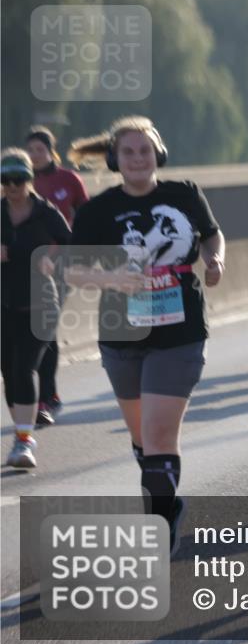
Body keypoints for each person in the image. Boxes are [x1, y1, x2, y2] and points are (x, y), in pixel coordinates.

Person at [66, 116, 226, 553]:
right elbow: (74, 270)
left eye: (145, 150)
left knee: (157, 435)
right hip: (122, 335)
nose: (138, 158)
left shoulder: (184, 194)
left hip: (180, 331)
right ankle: (168, 501)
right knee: (142, 440)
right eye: (129, 151)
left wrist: (215, 262)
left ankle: (157, 522)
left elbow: (212, 237)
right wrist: (112, 281)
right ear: (115, 158)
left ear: (159, 154)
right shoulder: (97, 210)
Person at [2, 149, 71, 468]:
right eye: (5, 180)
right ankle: (22, 433)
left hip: (41, 305)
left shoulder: (46, 213)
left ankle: (24, 442)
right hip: (5, 305)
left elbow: (73, 247)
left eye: (18, 179)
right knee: (8, 374)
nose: (12, 186)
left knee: (23, 369)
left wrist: (51, 259)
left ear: (30, 179)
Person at [25, 125, 89, 426]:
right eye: (30, 150)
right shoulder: (19, 183)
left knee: (46, 326)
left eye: (40, 149)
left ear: (51, 151)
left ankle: (47, 396)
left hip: (60, 263)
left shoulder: (68, 180)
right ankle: (37, 395)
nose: (34, 155)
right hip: (24, 266)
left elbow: (86, 216)